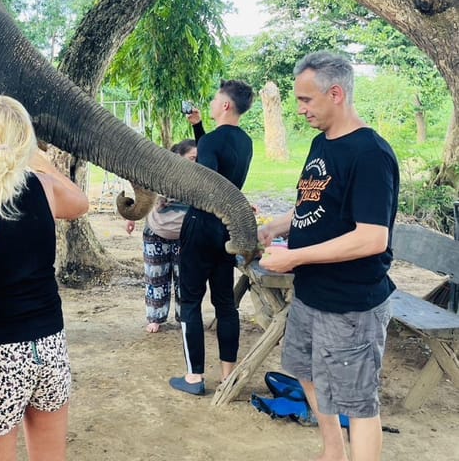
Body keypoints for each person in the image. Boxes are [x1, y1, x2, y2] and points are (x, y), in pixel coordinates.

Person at [258, 51, 398, 461]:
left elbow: (373, 238)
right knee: (307, 373)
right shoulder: (322, 144)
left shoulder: (370, 154)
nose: (300, 109)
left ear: (335, 93)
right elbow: (313, 204)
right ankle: (332, 453)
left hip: (352, 305)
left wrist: (294, 258)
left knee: (358, 402)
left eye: (306, 101)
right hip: (312, 295)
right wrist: (279, 227)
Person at [0, 95, 89, 461]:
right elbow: (80, 201)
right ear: (25, 140)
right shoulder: (45, 188)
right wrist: (39, 160)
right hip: (51, 349)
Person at [169, 80, 254, 396]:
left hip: (200, 226)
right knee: (224, 303)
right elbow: (218, 164)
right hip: (226, 230)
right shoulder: (245, 142)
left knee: (190, 301)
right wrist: (199, 126)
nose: (212, 102)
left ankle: (194, 378)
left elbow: (206, 181)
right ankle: (227, 375)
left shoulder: (213, 142)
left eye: (216, 99)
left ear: (226, 105)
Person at [126, 139, 198, 333]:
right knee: (156, 277)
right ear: (178, 157)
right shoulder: (158, 175)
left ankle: (185, 317)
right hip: (155, 233)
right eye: (192, 158)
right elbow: (141, 193)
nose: (196, 162)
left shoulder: (200, 180)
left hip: (184, 236)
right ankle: (155, 318)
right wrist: (132, 217)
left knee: (184, 278)